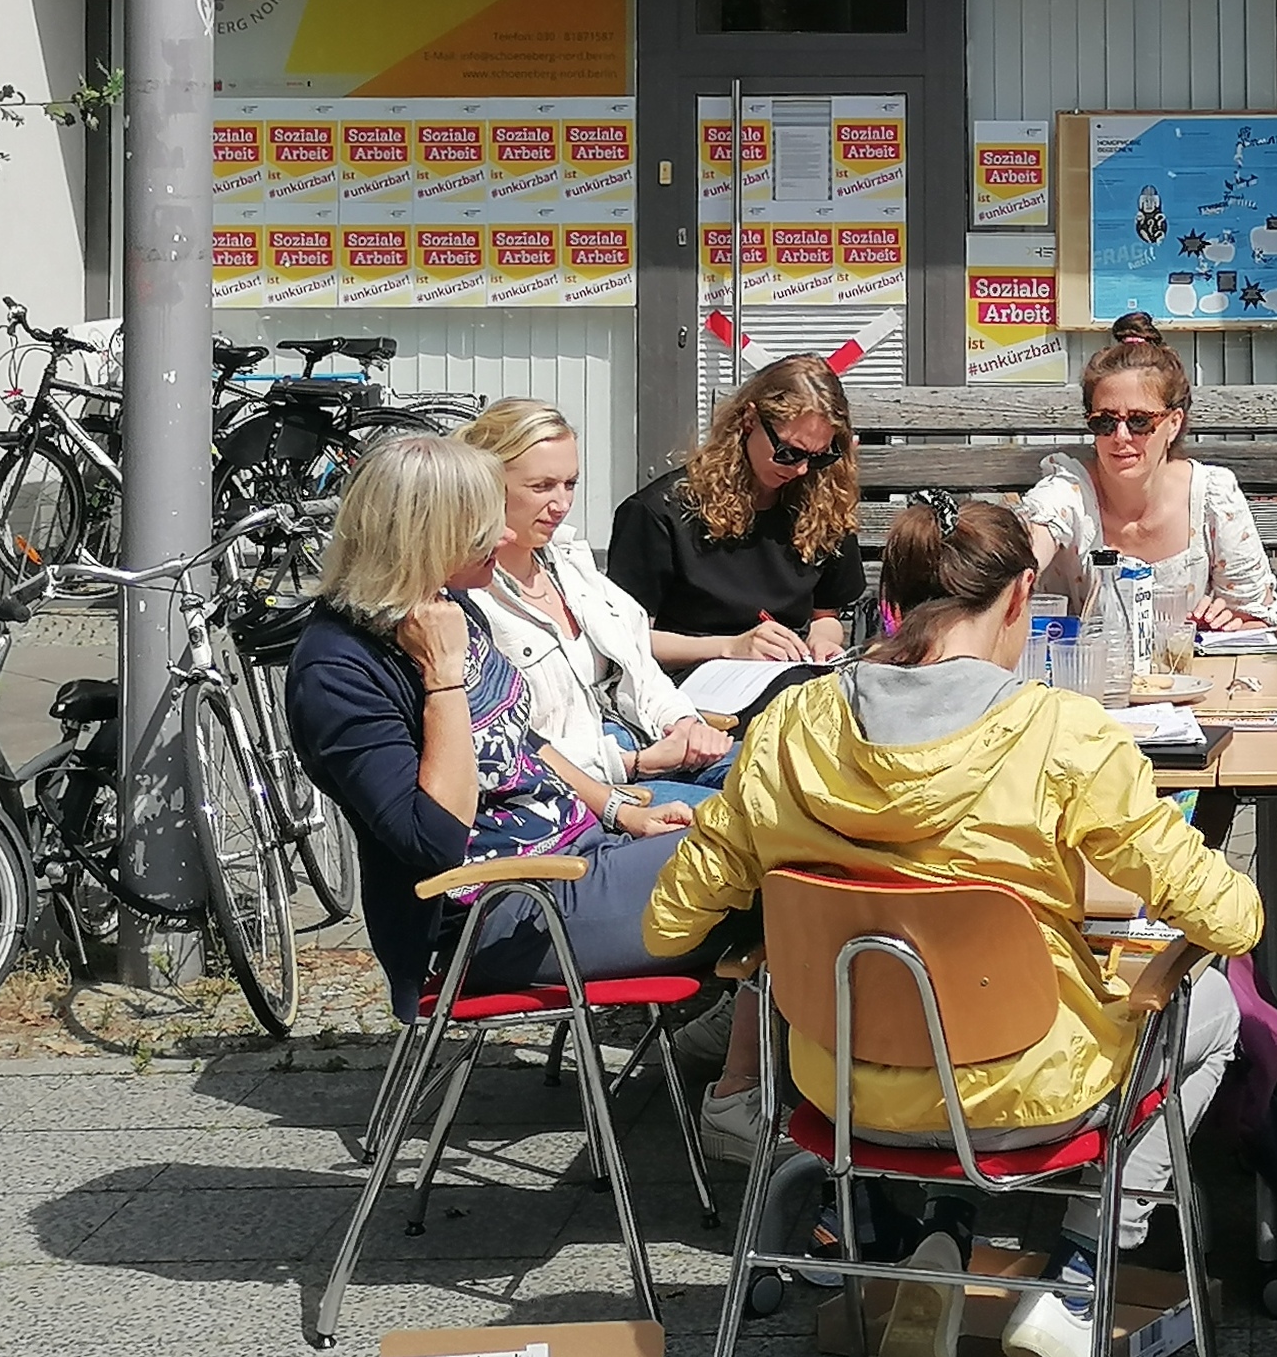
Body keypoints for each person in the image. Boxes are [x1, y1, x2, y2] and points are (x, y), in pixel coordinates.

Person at [649, 493, 1263, 1357]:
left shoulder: (789, 727)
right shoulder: (1064, 733)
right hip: (1025, 1095)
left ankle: (942, 1235)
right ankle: (1076, 1277)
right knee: (1210, 1006)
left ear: (888, 601)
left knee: (953, 1018)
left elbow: (669, 926)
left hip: (846, 1093)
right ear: (1022, 597)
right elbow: (1234, 919)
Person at [285, 433, 709, 1015]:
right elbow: (432, 840)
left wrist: (621, 811)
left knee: (794, 838)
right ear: (427, 536)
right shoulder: (339, 670)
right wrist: (442, 679)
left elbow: (521, 740)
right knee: (773, 856)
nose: (508, 536)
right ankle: (742, 1080)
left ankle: (739, 1060)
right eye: (486, 526)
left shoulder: (444, 605)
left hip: (580, 853)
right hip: (499, 911)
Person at [460, 397, 733, 796]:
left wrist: (684, 724)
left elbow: (642, 671)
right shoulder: (470, 596)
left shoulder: (570, 567)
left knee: (788, 781)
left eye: (570, 484)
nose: (563, 505)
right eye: (542, 487)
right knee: (745, 822)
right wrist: (631, 763)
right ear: (486, 484)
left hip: (648, 744)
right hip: (584, 788)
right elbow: (508, 747)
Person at [1018, 314, 1277, 640]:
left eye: (1140, 421)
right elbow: (1020, 560)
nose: (1121, 436)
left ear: (1173, 423)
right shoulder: (1070, 491)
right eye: (1104, 422)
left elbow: (1257, 620)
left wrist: (1225, 624)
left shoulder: (1213, 497)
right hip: (1090, 680)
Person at [606, 355, 867, 683]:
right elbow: (627, 639)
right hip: (693, 681)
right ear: (749, 420)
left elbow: (825, 614)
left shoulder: (822, 501)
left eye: (819, 457)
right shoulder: (660, 512)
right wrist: (730, 647)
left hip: (789, 674)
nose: (801, 469)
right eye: (789, 452)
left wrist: (823, 642)